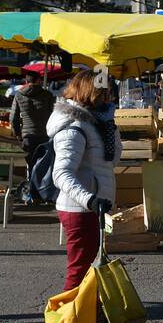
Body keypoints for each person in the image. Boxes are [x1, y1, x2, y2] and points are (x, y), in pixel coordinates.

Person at [47, 69, 122, 291]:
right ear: (91, 92)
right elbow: (61, 173)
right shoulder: (74, 127)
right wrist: (90, 200)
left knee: (88, 267)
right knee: (79, 269)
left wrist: (110, 127)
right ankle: (68, 318)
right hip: (80, 209)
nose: (109, 98)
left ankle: (86, 310)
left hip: (92, 208)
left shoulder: (96, 123)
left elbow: (112, 160)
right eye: (105, 93)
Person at [10, 70, 57, 179]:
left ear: (26, 80)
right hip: (45, 136)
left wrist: (18, 135)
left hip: (28, 137)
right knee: (44, 167)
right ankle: (41, 192)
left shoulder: (19, 95)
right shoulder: (48, 95)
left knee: (31, 166)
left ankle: (32, 191)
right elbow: (54, 115)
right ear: (39, 80)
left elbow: (13, 118)